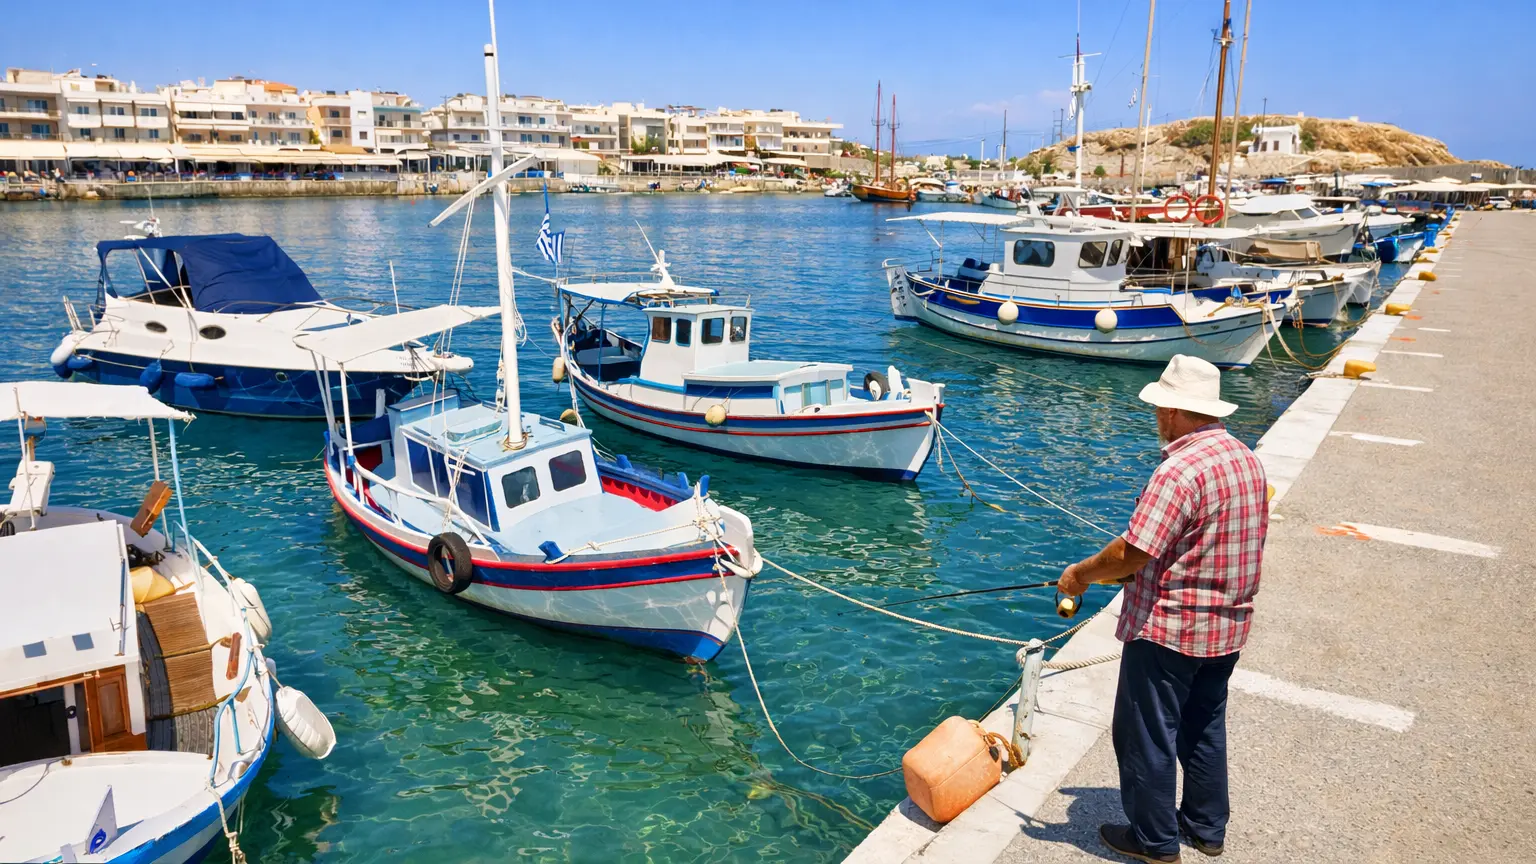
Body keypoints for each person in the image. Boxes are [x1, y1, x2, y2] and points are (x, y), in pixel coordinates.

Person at [1057, 354, 1268, 864]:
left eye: (1159, 409)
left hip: (1170, 630)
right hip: (1228, 626)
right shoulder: (1244, 458)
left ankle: (1154, 842)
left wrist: (1079, 575)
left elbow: (1134, 550)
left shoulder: (1178, 471)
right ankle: (1205, 828)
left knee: (1145, 734)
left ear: (1173, 411)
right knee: (1204, 726)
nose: (1156, 417)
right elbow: (1203, 541)